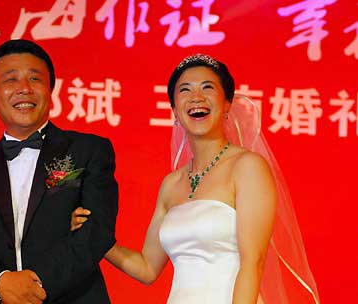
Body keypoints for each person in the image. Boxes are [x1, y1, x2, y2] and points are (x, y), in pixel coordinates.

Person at [71, 54, 320, 303]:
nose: (196, 97)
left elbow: (253, 262)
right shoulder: (171, 184)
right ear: (174, 110)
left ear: (227, 104)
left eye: (208, 88)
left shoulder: (247, 167)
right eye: (185, 90)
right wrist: (95, 238)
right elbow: (147, 268)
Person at [0, 39, 118, 304]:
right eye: (10, 80)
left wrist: (34, 284)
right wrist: (2, 284)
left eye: (35, 79)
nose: (24, 89)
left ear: (51, 90)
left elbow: (97, 230)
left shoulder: (89, 150)